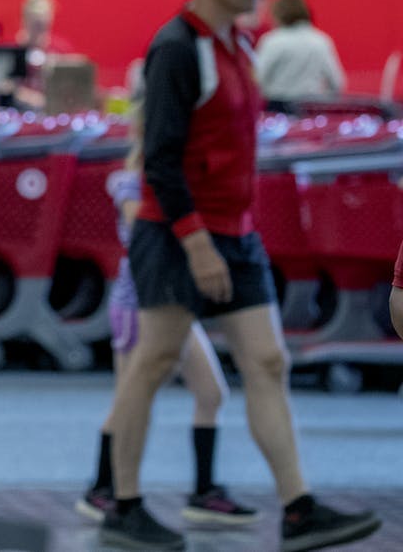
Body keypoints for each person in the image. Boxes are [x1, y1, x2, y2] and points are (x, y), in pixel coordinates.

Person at [99, 0, 380, 551]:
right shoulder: (177, 47)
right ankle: (123, 504)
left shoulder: (240, 45)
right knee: (154, 362)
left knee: (269, 360)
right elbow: (161, 164)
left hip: (237, 232)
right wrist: (197, 244)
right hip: (175, 234)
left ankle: (299, 509)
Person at [76, 103, 257, 528]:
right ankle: (103, 487)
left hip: (173, 301)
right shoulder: (133, 185)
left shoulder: (179, 183)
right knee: (130, 401)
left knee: (210, 393)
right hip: (139, 305)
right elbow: (144, 233)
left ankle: (204, 491)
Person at [255, 0, 345, 103]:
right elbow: (337, 82)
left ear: (278, 15)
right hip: (311, 106)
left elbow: (258, 78)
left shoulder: (272, 41)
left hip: (277, 107)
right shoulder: (321, 41)